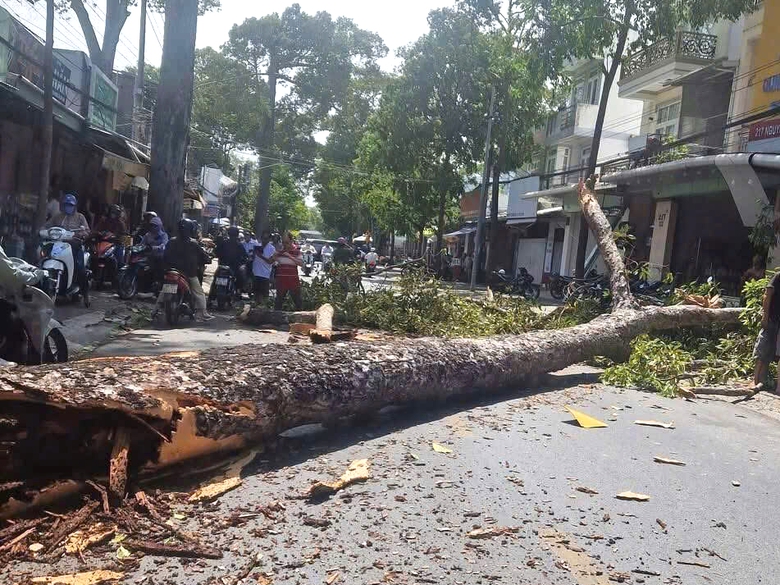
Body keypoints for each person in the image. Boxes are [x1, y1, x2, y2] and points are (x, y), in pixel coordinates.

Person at [157, 219, 213, 322]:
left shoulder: (172, 241)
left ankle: (156, 309)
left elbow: (164, 256)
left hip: (171, 271)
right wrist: (208, 259)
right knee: (198, 292)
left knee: (164, 290)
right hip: (189, 273)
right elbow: (203, 256)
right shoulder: (193, 243)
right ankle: (203, 312)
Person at [46, 193, 90, 282]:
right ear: (63, 205)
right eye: (66, 205)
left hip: (74, 246)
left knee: (80, 267)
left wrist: (81, 233)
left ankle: (84, 292)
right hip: (58, 245)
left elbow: (87, 231)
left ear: (74, 206)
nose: (68, 207)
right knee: (44, 257)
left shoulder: (80, 217)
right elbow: (47, 226)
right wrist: (42, 230)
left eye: (70, 205)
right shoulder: (57, 216)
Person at [753, 270, 780, 391]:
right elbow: (767, 294)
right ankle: (755, 381)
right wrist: (765, 315)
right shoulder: (778, 277)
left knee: (770, 353)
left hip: (778, 323)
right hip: (771, 319)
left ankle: (761, 383)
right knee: (762, 350)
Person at [212, 226, 247, 300]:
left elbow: (215, 252)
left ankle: (211, 298)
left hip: (223, 267)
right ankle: (238, 292)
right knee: (241, 277)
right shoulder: (239, 245)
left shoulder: (224, 243)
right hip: (232, 268)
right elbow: (245, 256)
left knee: (215, 280)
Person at [273, 231, 303, 310]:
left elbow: (301, 263)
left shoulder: (297, 251)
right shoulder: (279, 251)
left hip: (293, 280)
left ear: (291, 241)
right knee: (278, 301)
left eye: (287, 242)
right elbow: (271, 262)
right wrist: (274, 257)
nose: (285, 244)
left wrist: (290, 256)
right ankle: (276, 318)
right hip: (281, 280)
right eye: (283, 242)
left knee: (297, 302)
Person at [252, 230, 276, 301]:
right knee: (256, 294)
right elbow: (253, 258)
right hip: (256, 273)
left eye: (266, 238)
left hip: (265, 274)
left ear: (269, 239)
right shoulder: (257, 246)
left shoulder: (272, 249)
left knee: (264, 296)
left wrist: (260, 255)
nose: (264, 240)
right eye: (263, 238)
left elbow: (270, 261)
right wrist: (253, 254)